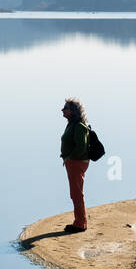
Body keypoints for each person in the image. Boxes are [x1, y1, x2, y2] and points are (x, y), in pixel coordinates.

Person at [59, 98, 90, 233]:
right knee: (75, 193)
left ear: (73, 111)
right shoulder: (72, 124)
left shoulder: (78, 125)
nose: (62, 110)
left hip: (76, 163)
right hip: (73, 162)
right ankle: (80, 222)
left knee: (76, 194)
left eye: (65, 108)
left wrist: (70, 158)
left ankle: (80, 224)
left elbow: (81, 146)